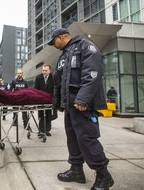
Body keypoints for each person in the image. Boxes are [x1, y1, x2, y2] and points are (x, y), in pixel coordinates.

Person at [48, 28, 114, 190]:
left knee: (87, 138)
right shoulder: (64, 54)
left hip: (83, 105)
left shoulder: (86, 47)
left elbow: (92, 74)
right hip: (70, 106)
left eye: (54, 41)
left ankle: (104, 176)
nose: (54, 45)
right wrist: (60, 103)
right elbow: (61, 81)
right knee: (73, 138)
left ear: (62, 37)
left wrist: (83, 98)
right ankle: (76, 170)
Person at [34, 64, 57, 136]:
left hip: (50, 100)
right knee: (41, 115)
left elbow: (55, 89)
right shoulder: (38, 77)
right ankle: (41, 130)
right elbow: (36, 89)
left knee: (48, 115)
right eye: (43, 70)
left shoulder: (53, 77)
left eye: (46, 70)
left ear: (50, 70)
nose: (44, 72)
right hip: (41, 100)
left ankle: (47, 130)